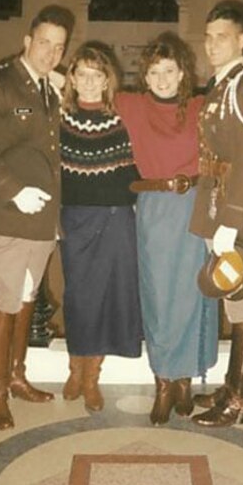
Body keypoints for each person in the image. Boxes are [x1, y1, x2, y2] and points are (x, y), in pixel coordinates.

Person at [0, 4, 75, 431]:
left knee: (27, 297)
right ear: (27, 41)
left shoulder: (49, 88)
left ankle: (16, 375)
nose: (50, 52)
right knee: (6, 298)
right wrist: (14, 190)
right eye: (43, 42)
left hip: (42, 219)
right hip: (9, 214)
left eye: (59, 47)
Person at [115, 32, 219, 425]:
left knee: (193, 293)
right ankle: (162, 382)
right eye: (155, 71)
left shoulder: (200, 106)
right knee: (159, 298)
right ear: (146, 75)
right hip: (156, 207)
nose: (162, 78)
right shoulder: (132, 105)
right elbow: (84, 83)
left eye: (169, 70)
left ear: (182, 73)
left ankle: (184, 383)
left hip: (194, 205)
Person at [189, 0, 243, 428]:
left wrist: (230, 220)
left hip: (238, 216)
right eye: (207, 37)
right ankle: (232, 386)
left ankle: (242, 401)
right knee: (232, 300)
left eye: (220, 37)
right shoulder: (222, 83)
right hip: (219, 206)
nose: (211, 45)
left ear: (241, 40)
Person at [59, 42, 143, 411]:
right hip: (76, 219)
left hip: (117, 218)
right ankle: (75, 367)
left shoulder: (124, 116)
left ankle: (92, 376)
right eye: (83, 75)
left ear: (108, 79)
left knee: (110, 297)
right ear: (72, 79)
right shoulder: (58, 120)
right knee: (80, 298)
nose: (90, 82)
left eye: (98, 75)